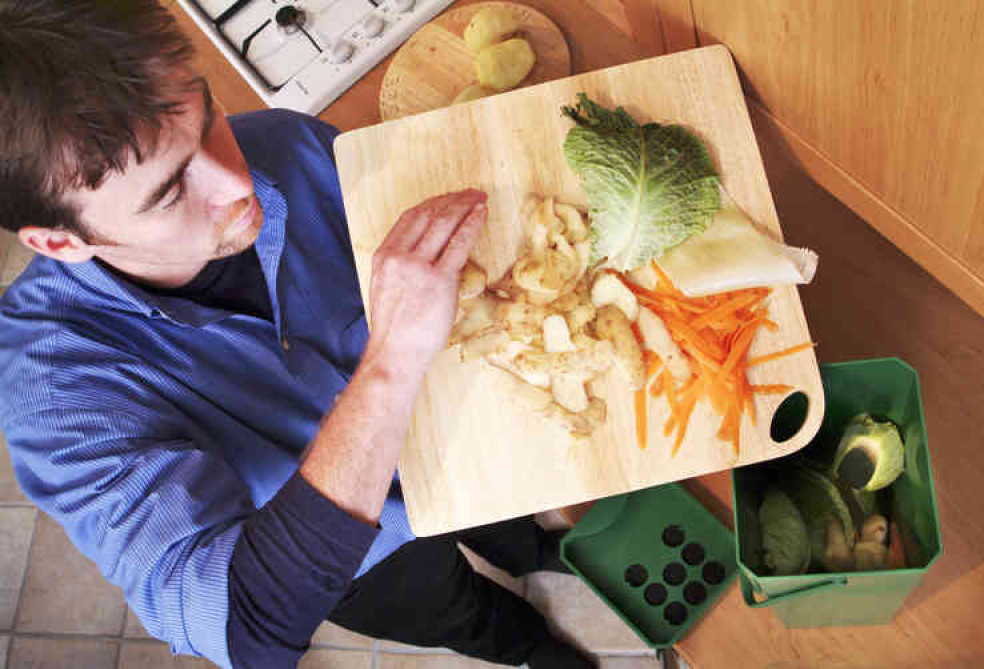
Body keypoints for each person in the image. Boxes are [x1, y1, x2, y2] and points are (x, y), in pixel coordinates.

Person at [0, 2, 596, 668]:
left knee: (501, 512)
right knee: (451, 605)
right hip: (364, 560)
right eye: (169, 192)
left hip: (453, 429)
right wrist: (392, 361)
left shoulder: (283, 144)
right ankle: (524, 642)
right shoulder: (51, 395)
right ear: (59, 240)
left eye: (207, 120)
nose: (236, 181)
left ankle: (537, 547)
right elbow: (244, 625)